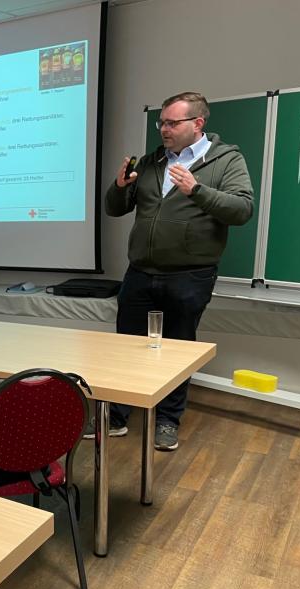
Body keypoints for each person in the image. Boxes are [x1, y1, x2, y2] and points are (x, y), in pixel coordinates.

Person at [103, 91, 254, 450]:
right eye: (162, 122)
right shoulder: (151, 161)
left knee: (177, 350)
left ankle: (167, 421)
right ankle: (117, 416)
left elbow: (242, 210)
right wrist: (119, 187)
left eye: (172, 123)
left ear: (198, 123)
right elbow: (114, 208)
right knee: (126, 346)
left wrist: (197, 189)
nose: (164, 129)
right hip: (140, 271)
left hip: (190, 274)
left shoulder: (225, 160)